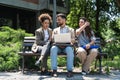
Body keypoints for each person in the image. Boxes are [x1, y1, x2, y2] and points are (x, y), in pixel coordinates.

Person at [50, 13, 75, 77]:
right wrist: (52, 38)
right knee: (53, 48)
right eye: (57, 20)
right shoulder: (55, 30)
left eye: (59, 20)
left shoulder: (71, 30)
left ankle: (69, 71)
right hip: (58, 47)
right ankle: (54, 70)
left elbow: (73, 40)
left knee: (69, 49)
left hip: (67, 47)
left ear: (64, 20)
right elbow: (52, 40)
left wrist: (69, 40)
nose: (57, 21)